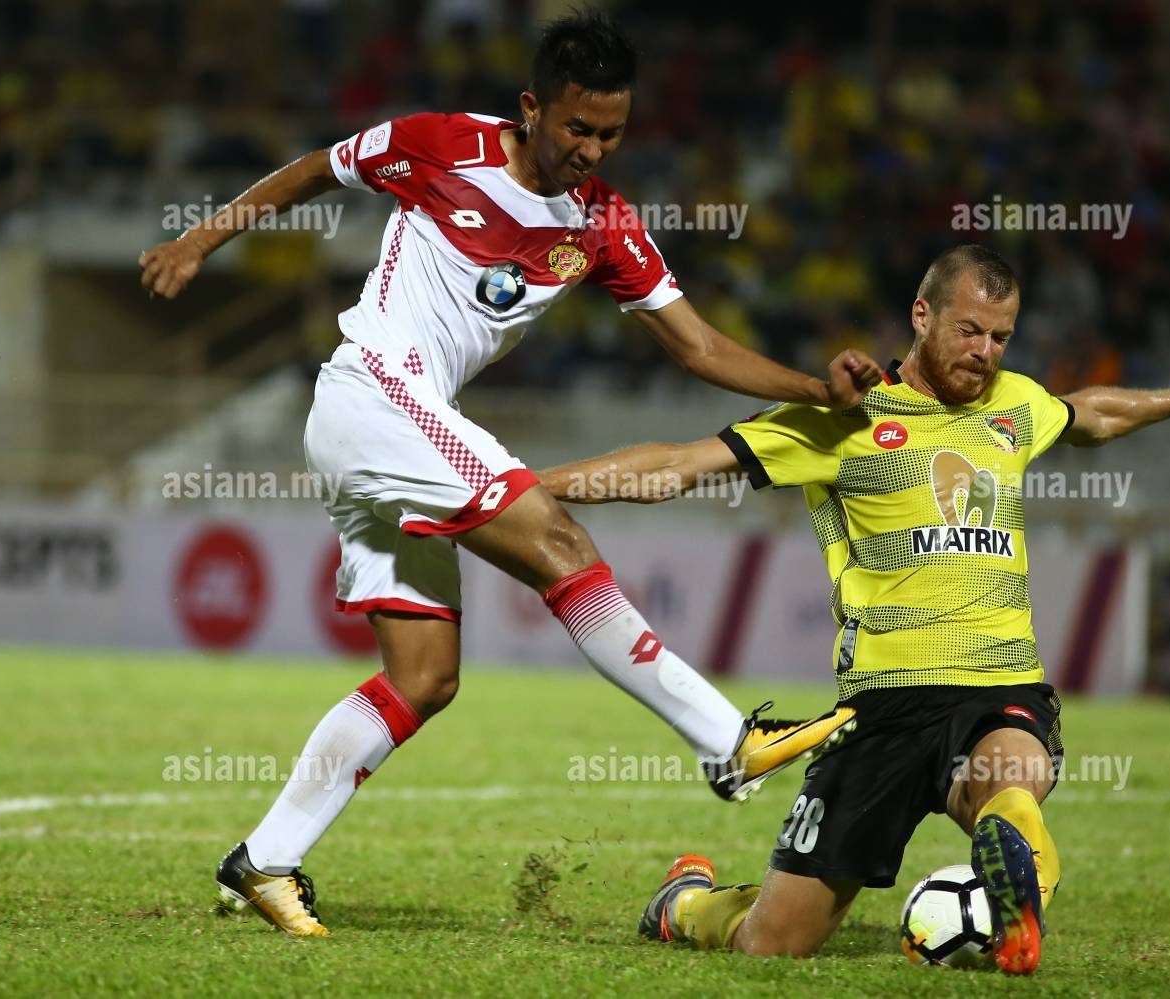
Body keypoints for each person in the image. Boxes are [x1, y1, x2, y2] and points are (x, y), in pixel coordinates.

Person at [137, 11, 875, 937]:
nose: (591, 150)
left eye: (610, 134)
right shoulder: (439, 146)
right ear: (533, 108)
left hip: (396, 429)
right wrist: (199, 241)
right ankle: (727, 742)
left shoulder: (603, 222)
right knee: (559, 539)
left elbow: (696, 345)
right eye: (577, 128)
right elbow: (316, 168)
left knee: (424, 676)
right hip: (374, 392)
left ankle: (267, 858)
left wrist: (817, 389)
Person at [540, 244, 1170, 974]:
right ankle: (686, 902)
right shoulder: (845, 416)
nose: (985, 353)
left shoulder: (1012, 403)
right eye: (970, 330)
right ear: (922, 315)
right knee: (774, 940)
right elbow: (680, 465)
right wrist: (527, 487)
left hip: (999, 681)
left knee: (1011, 780)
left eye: (1001, 336)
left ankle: (1013, 900)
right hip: (883, 705)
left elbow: (1087, 415)